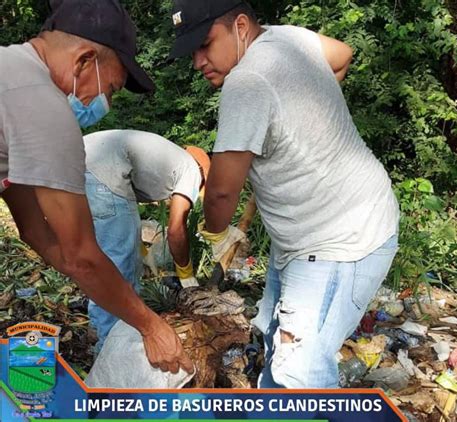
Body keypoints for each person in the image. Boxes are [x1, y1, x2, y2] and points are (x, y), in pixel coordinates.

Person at [170, 0, 400, 388]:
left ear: (240, 25)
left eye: (205, 44)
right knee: (274, 337)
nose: (198, 61)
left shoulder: (246, 81)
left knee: (299, 373)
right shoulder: (287, 38)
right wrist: (302, 120)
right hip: (310, 232)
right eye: (191, 50)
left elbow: (223, 194)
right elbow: (342, 55)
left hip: (339, 241)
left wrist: (215, 233)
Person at [0, 0, 192, 375]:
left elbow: (36, 231)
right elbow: (80, 256)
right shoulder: (43, 107)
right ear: (85, 60)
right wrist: (152, 327)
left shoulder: (11, 73)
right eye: (113, 87)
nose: (104, 101)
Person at [83, 129, 210, 349]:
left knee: (103, 260)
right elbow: (176, 229)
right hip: (102, 173)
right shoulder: (191, 169)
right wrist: (186, 275)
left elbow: (125, 211)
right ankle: (111, 347)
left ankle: (98, 326)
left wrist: (138, 249)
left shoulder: (169, 158)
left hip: (81, 159)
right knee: (120, 271)